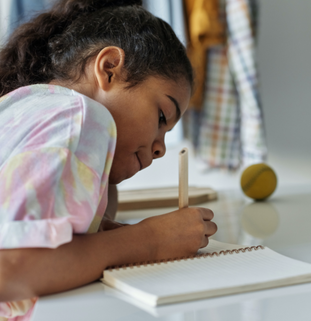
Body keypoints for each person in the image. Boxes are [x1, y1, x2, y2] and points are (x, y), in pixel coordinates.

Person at [0, 0, 217, 319]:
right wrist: (150, 240)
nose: (161, 149)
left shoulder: (24, 108)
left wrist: (103, 226)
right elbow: (11, 271)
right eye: (161, 116)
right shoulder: (82, 117)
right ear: (109, 68)